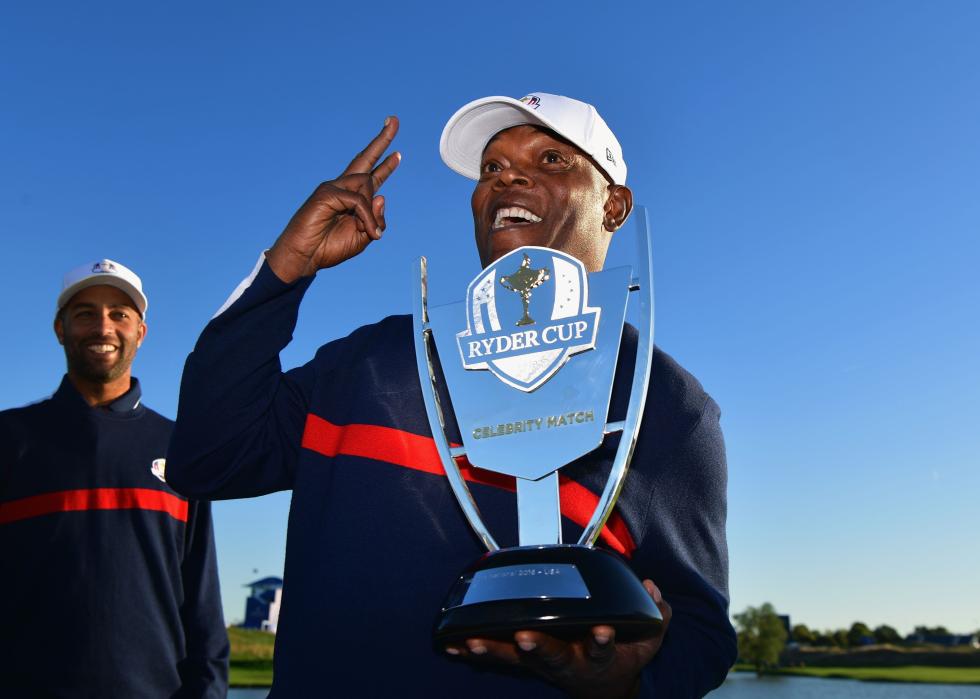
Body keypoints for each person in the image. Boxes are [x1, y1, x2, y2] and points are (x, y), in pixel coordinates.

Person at [168, 92, 736, 697]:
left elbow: (700, 634)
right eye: (491, 168)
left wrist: (620, 683)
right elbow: (208, 458)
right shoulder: (369, 360)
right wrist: (286, 268)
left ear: (614, 207)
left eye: (550, 160)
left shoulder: (666, 402)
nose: (508, 176)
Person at [0, 259, 229, 698]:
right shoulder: (10, 440)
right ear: (60, 329)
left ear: (140, 332)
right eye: (85, 313)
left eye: (119, 314)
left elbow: (203, 607)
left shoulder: (181, 447)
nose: (102, 327)